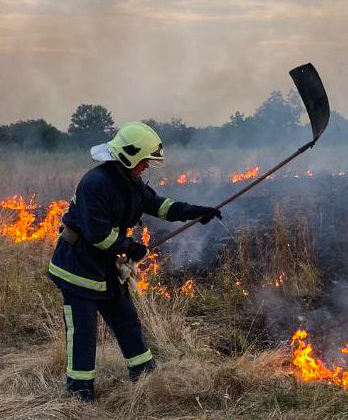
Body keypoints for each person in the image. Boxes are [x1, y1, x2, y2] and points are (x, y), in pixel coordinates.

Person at [48, 122, 221, 400]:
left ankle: (144, 376)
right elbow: (97, 234)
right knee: (83, 331)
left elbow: (159, 206)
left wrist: (194, 211)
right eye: (144, 162)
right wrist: (131, 247)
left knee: (127, 321)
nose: (146, 168)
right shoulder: (95, 184)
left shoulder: (131, 182)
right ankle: (79, 391)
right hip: (78, 268)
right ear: (129, 157)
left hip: (105, 268)